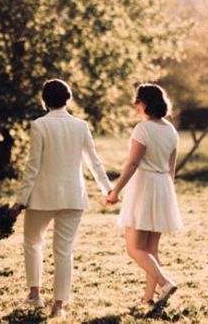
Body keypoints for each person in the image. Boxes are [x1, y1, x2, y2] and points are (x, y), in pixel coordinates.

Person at [10, 79, 112, 318]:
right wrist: (107, 189)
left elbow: (32, 167)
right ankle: (59, 306)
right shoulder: (81, 125)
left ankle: (35, 295)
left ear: (44, 100)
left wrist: (20, 201)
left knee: (32, 243)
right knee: (64, 251)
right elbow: (94, 161)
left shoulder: (39, 125)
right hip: (73, 197)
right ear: (68, 99)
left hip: (42, 198)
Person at [106, 83, 182, 306]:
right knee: (151, 249)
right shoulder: (171, 130)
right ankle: (148, 299)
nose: (136, 106)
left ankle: (165, 282)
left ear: (145, 103)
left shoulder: (143, 129)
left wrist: (115, 191)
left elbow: (132, 163)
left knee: (134, 248)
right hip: (163, 186)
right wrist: (165, 191)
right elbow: (172, 168)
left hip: (144, 186)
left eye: (137, 102)